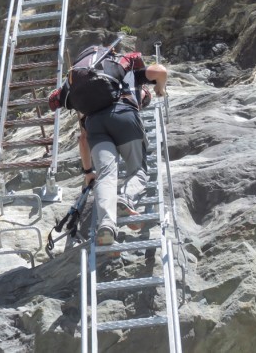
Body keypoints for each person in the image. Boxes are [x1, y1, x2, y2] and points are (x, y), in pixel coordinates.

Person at [48, 44, 168, 247]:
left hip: (95, 124)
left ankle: (106, 225)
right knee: (137, 171)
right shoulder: (128, 72)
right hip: (124, 117)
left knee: (106, 176)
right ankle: (126, 199)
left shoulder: (79, 82)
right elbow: (161, 71)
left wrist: (88, 172)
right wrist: (159, 88)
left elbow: (83, 139)